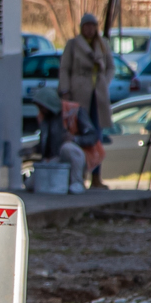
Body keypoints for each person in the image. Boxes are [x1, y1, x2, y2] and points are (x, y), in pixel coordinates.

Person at [59, 13, 114, 189]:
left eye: (92, 25)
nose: (90, 29)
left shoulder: (103, 44)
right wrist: (65, 90)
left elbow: (111, 66)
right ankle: (80, 175)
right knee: (79, 133)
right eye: (86, 26)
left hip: (98, 93)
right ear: (81, 27)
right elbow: (64, 69)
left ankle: (96, 176)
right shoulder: (73, 45)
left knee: (96, 135)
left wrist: (104, 81)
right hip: (79, 92)